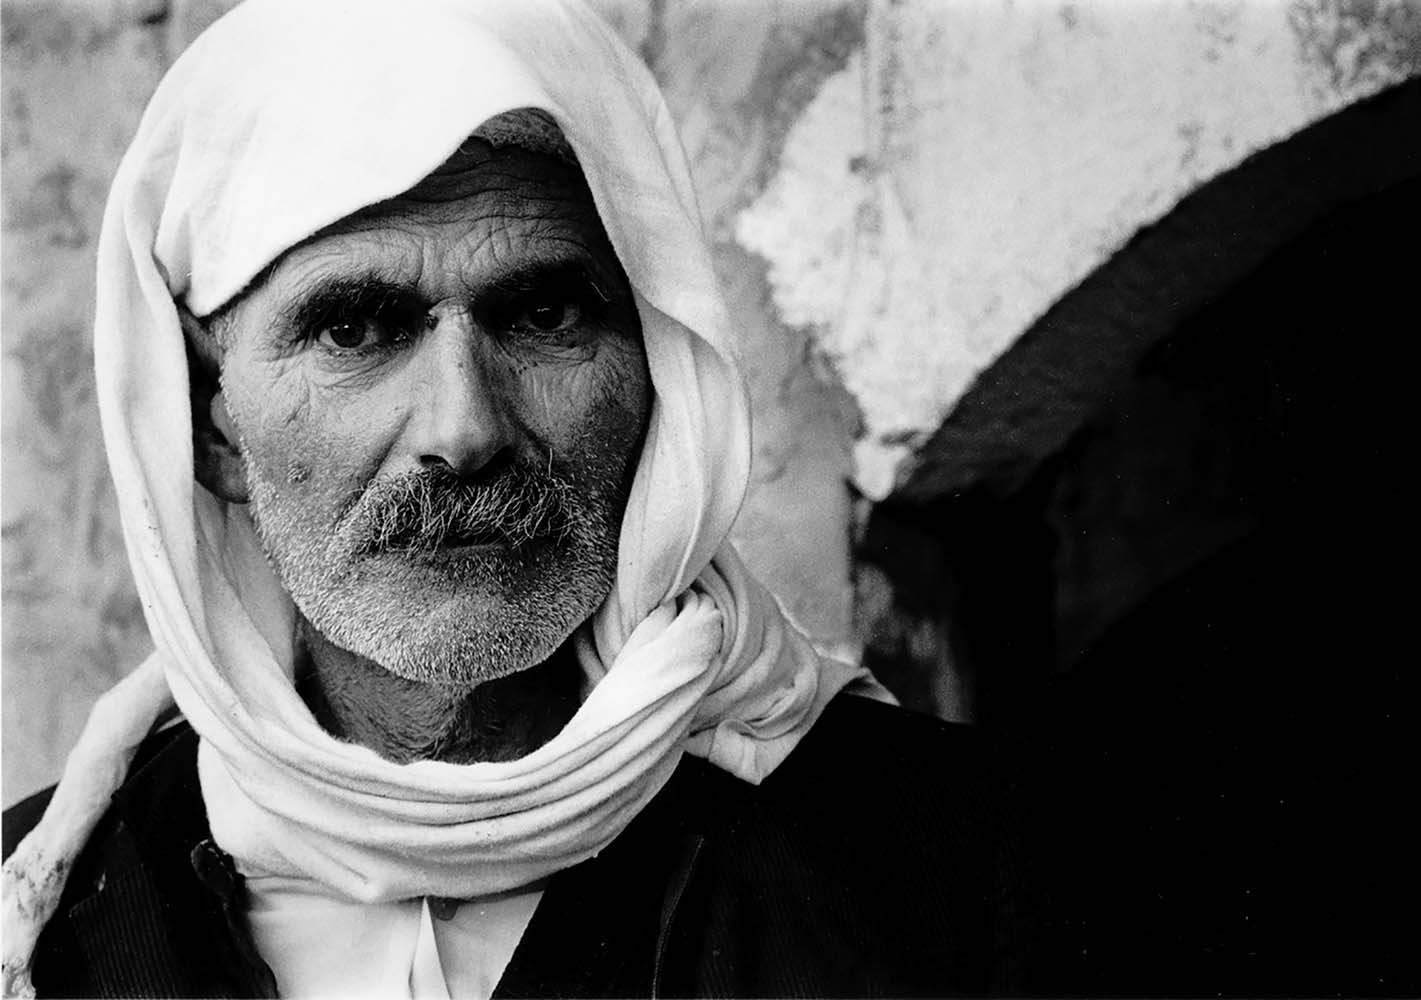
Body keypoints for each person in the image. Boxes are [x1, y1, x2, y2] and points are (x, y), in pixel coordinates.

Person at [1, 0, 1024, 996]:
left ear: (659, 373)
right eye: (357, 329)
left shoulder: (946, 862)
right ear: (210, 420)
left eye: (540, 313)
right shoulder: (42, 917)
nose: (463, 428)